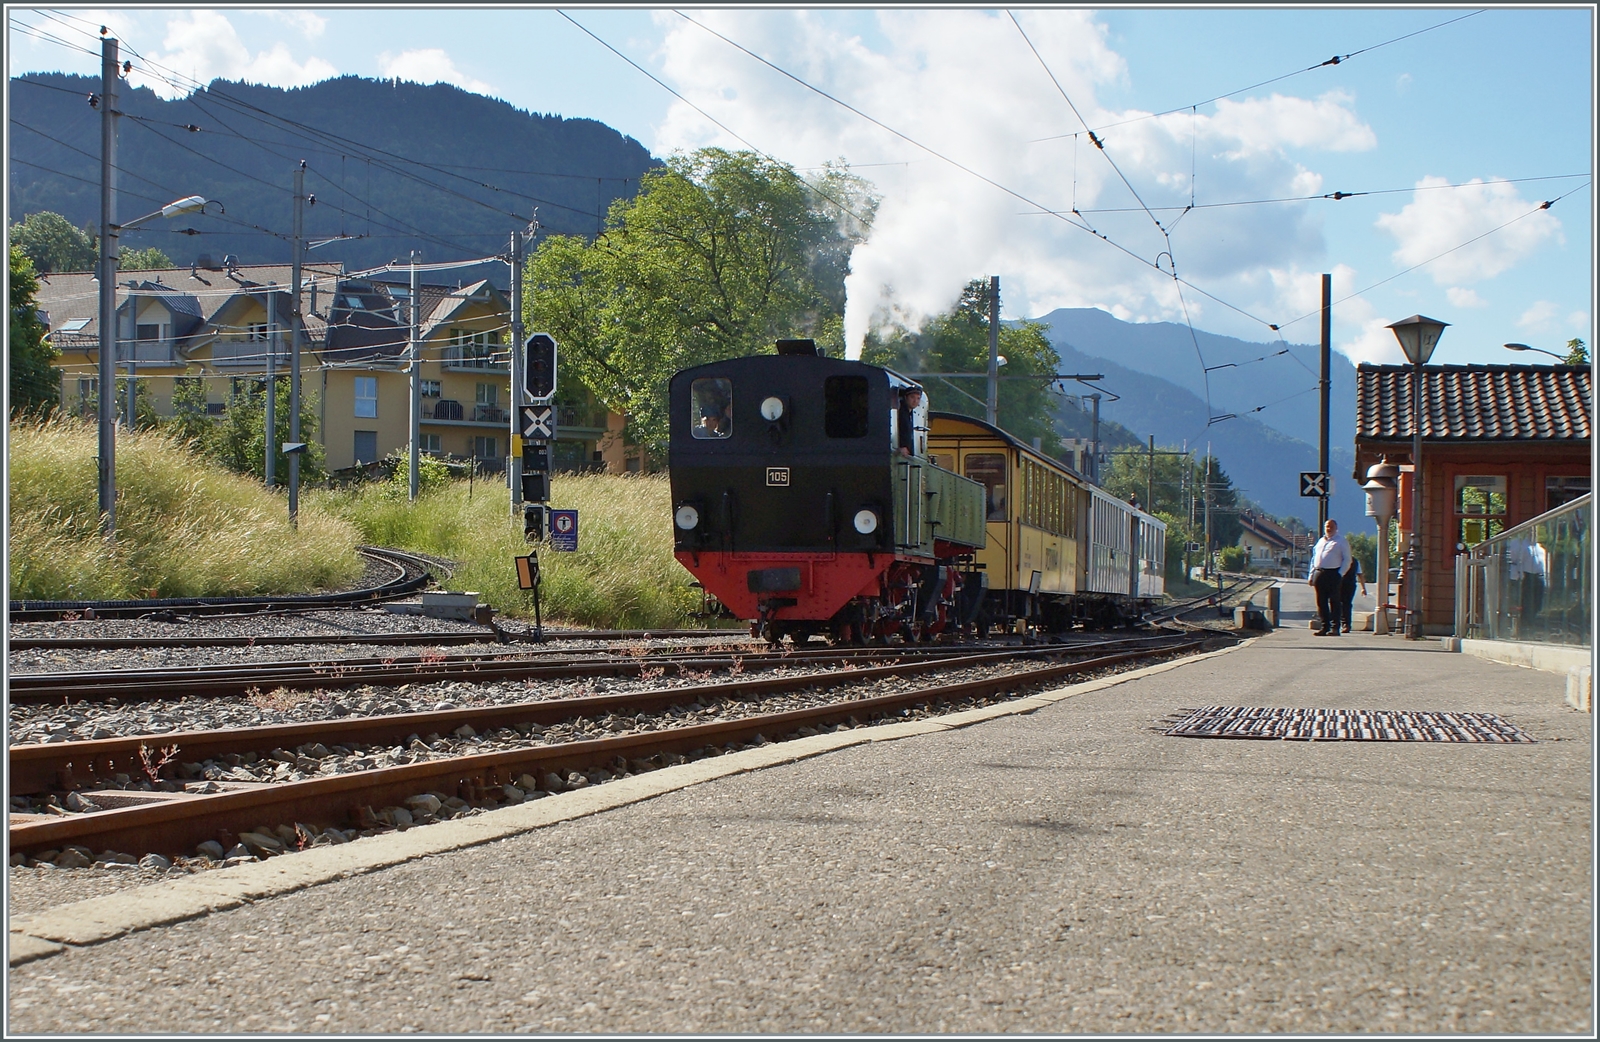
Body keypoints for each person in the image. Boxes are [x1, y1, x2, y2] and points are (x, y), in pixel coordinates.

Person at [1306, 518, 1351, 636]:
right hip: (1319, 573)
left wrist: (1340, 573)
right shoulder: (1320, 541)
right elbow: (1314, 558)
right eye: (1327, 526)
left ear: (1336, 528)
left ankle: (1335, 627)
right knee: (1321, 602)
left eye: (1331, 526)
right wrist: (1311, 575)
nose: (1329, 529)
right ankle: (1324, 626)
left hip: (1333, 573)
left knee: (1334, 601)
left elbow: (1347, 559)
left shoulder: (1341, 541)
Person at [1339, 553, 1367, 634]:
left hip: (1347, 584)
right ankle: (1343, 624)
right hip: (1346, 584)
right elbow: (1360, 574)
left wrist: (1363, 588)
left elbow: (1360, 574)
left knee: (1345, 604)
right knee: (1343, 604)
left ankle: (1345, 624)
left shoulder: (1353, 561)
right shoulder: (1354, 560)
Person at [896, 387, 923, 456]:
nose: (915, 401)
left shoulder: (910, 414)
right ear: (906, 397)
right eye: (912, 397)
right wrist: (902, 445)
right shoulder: (901, 412)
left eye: (918, 398)